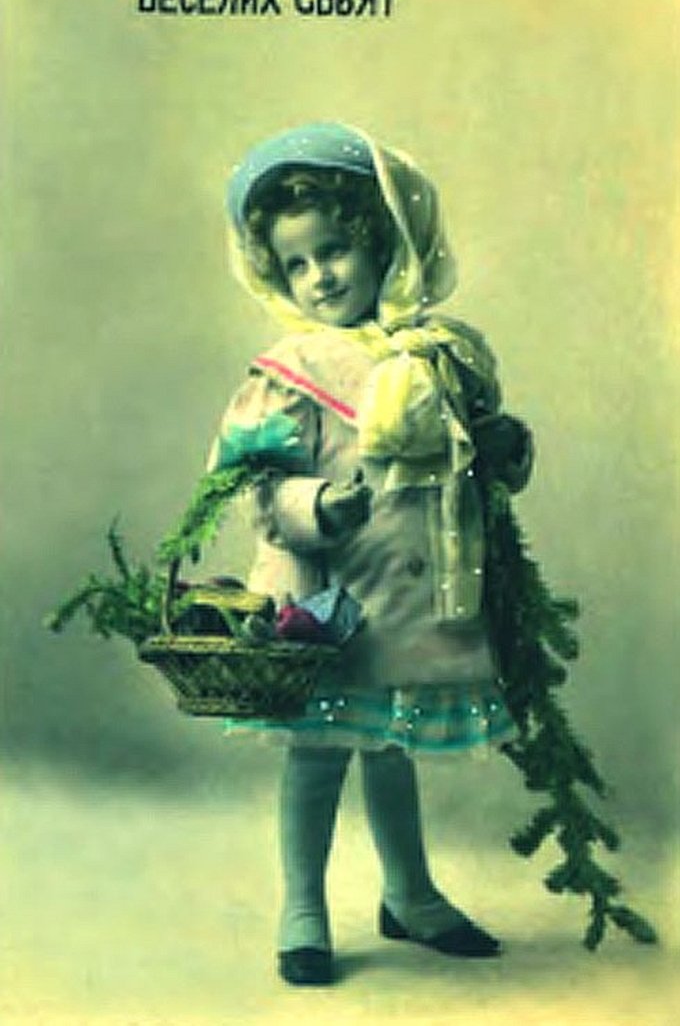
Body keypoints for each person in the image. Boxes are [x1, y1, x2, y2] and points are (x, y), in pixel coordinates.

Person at [207, 122, 533, 986]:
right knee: (318, 754)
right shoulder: (291, 370)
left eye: (335, 251)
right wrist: (317, 505)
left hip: (412, 594)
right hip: (328, 601)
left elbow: (469, 458)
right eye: (298, 264)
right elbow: (257, 486)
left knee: (390, 745)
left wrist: (500, 445)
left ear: (383, 242)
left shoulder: (436, 355)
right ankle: (302, 909)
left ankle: (410, 893)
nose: (320, 276)